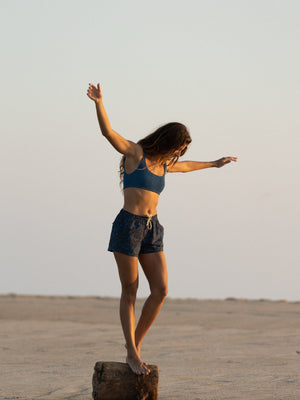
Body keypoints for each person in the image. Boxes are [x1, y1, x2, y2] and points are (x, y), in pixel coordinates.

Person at [87, 83, 237, 375]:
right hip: (128, 225)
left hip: (152, 228)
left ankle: (135, 346)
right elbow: (109, 133)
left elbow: (188, 166)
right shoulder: (135, 154)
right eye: (181, 146)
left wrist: (214, 164)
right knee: (130, 289)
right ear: (170, 140)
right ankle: (131, 352)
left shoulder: (165, 164)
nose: (182, 152)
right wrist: (99, 103)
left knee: (161, 290)